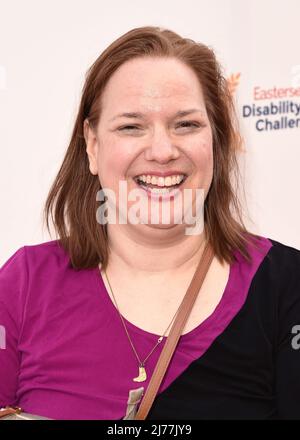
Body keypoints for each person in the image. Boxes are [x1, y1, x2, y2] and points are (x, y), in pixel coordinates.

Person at [0, 26, 300, 421]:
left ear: (217, 139)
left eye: (186, 124)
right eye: (131, 126)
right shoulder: (25, 283)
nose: (162, 151)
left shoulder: (286, 285)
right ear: (92, 146)